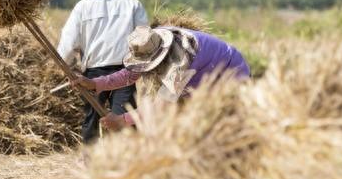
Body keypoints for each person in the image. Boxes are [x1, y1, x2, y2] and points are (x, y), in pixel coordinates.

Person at [72, 25, 250, 131]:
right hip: (200, 80)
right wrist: (95, 83)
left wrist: (122, 120)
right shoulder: (150, 40)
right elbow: (129, 75)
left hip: (229, 74)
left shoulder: (180, 63)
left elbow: (161, 106)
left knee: (218, 127)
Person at [57, 0, 148, 142]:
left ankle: (90, 162)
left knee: (91, 121)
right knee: (125, 121)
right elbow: (145, 38)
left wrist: (64, 65)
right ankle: (128, 164)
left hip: (93, 74)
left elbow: (68, 42)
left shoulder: (82, 7)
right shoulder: (132, 4)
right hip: (126, 72)